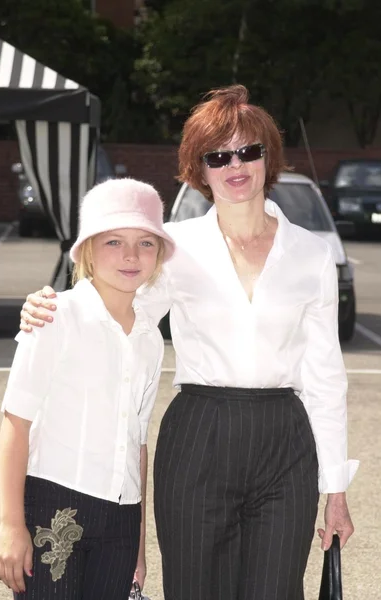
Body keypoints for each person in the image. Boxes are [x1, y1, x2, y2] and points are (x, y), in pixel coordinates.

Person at [18, 85, 359, 600]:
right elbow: (119, 309)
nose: (235, 165)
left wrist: (335, 490)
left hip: (285, 442)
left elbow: (325, 375)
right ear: (200, 169)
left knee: (275, 588)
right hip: (198, 434)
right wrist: (53, 305)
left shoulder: (311, 254)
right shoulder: (177, 249)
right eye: (219, 155)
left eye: (249, 151)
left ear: (270, 157)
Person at [0, 178, 175, 600]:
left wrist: (140, 549)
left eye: (146, 243)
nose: (131, 255)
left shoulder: (150, 336)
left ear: (160, 254)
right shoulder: (55, 316)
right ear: (88, 249)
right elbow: (16, 421)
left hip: (122, 523)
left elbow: (138, 444)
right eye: (113, 241)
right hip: (51, 509)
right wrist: (10, 524)